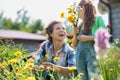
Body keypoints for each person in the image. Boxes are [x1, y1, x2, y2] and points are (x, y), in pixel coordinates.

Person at [72, 0, 106, 80]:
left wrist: (87, 38)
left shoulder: (98, 19)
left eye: (79, 10)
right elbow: (74, 45)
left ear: (84, 8)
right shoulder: (80, 24)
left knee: (94, 76)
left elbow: (104, 36)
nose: (77, 13)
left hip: (91, 54)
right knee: (82, 77)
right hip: (79, 55)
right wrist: (74, 34)